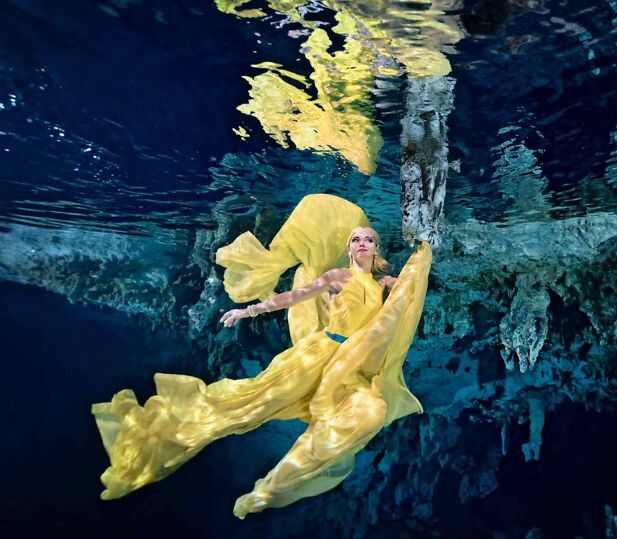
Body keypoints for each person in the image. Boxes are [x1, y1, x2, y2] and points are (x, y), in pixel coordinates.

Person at [91, 194, 432, 519]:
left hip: (349, 363)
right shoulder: (336, 277)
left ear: (376, 248)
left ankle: (269, 491)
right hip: (315, 356)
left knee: (369, 412)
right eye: (355, 239)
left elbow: (410, 287)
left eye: (368, 240)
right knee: (247, 406)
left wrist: (424, 244)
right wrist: (249, 311)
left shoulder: (382, 281)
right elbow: (292, 297)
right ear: (347, 248)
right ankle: (157, 436)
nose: (361, 244)